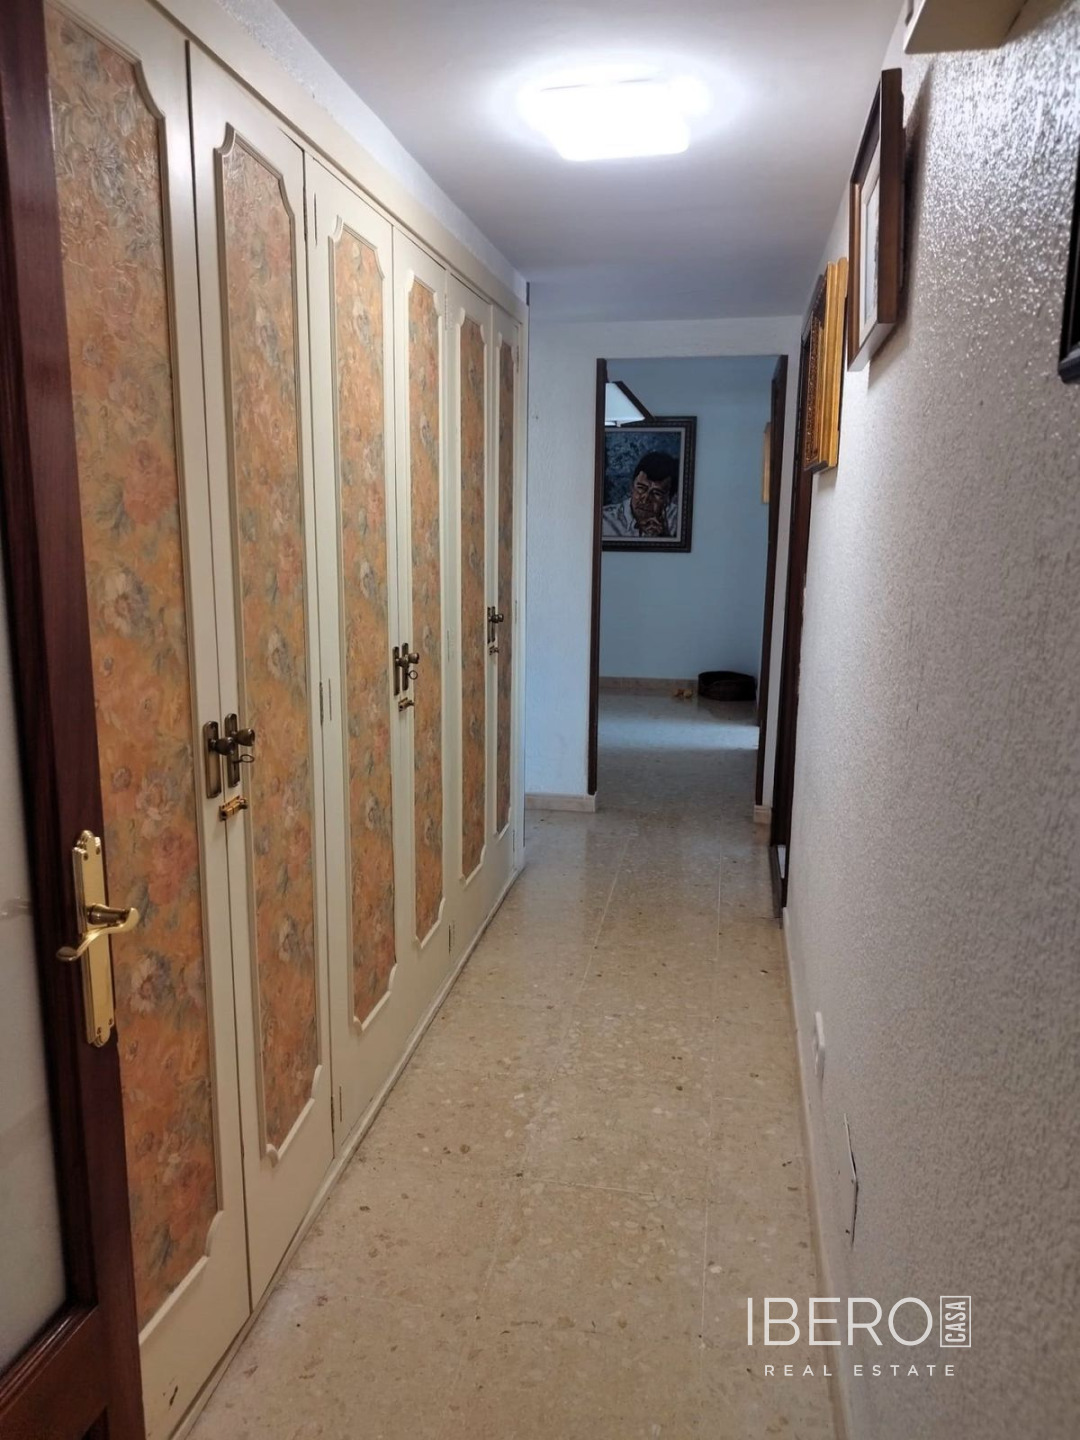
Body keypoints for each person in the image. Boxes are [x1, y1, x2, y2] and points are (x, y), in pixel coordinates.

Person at [602, 450, 679, 539]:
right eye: (641, 488)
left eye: (656, 493)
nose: (645, 499)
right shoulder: (604, 520)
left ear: (669, 498)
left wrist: (665, 538)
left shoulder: (678, 519)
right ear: (631, 486)